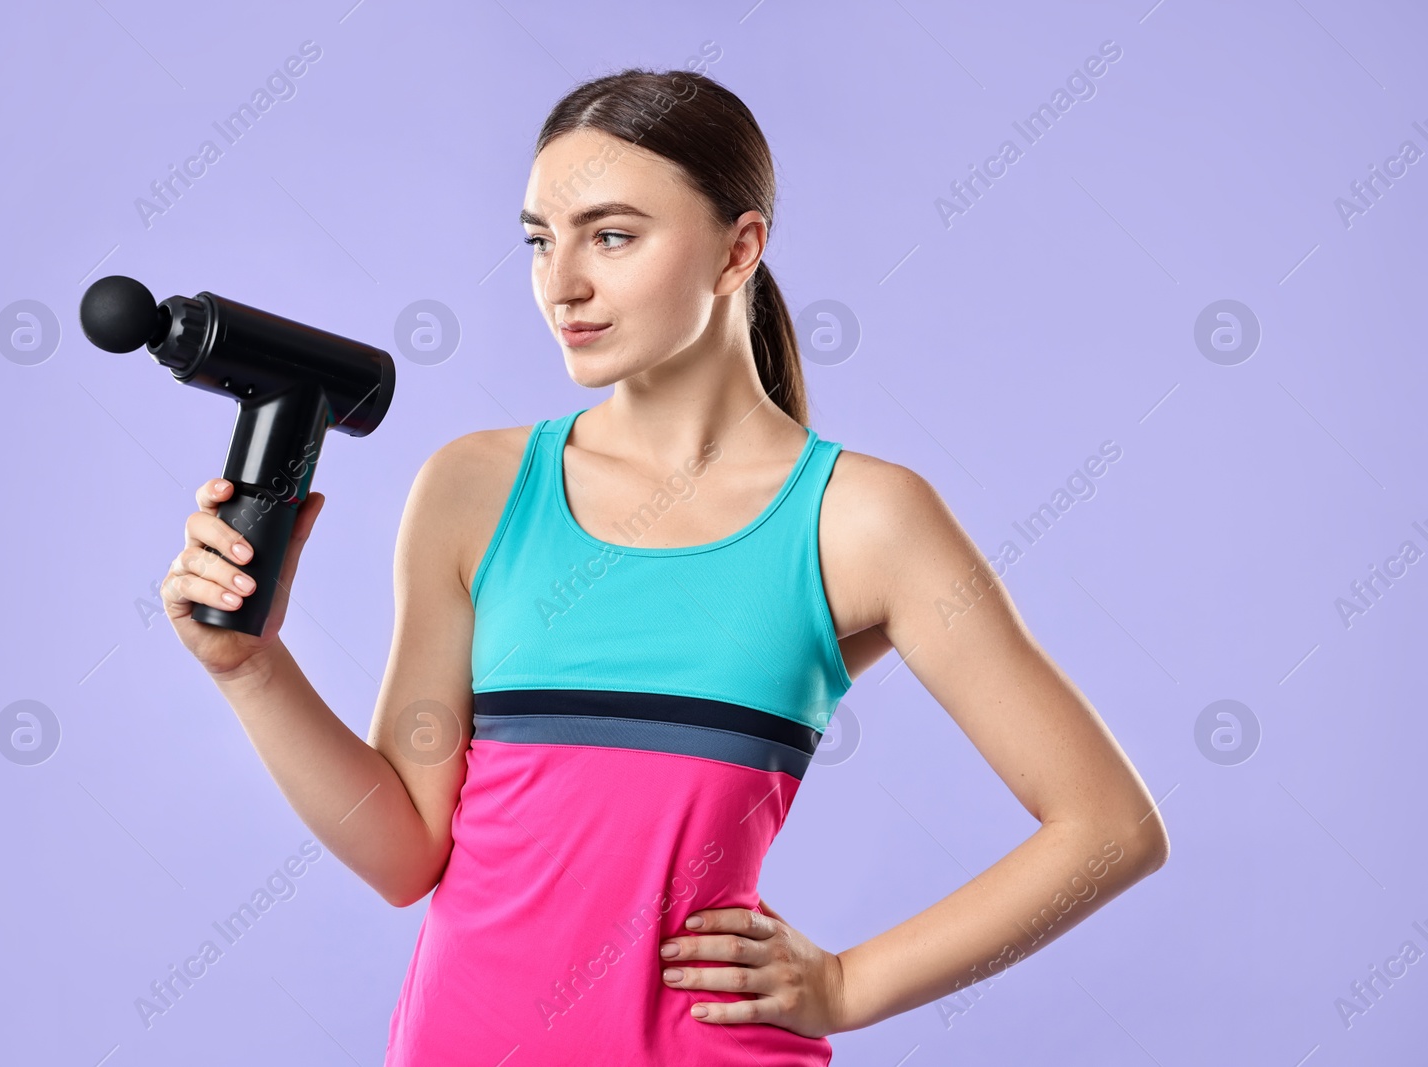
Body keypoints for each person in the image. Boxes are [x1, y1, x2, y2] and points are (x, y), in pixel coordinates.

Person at [160, 68, 1170, 1065]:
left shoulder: (860, 521)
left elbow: (1108, 825)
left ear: (739, 251)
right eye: (537, 240)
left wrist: (849, 984)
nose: (562, 282)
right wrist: (251, 668)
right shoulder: (472, 488)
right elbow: (406, 851)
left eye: (611, 234)